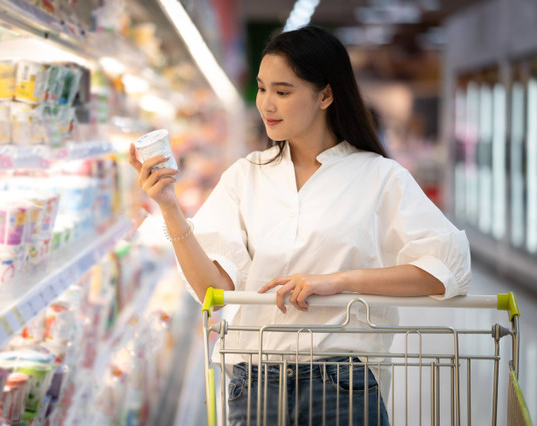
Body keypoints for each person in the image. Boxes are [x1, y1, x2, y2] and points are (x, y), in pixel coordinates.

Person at [129, 25, 470, 426]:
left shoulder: (380, 177)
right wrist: (169, 207)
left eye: (283, 91)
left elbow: (445, 269)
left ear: (325, 95)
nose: (266, 104)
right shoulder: (245, 176)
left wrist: (339, 280)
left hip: (342, 383)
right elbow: (213, 291)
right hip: (253, 380)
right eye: (261, 88)